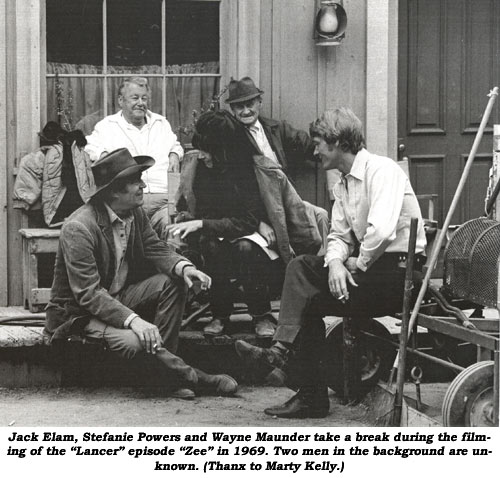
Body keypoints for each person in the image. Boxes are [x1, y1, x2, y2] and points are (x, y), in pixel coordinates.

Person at [234, 107, 427, 418]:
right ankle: (307, 391)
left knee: (303, 277)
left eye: (318, 143)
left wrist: (357, 264)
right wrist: (336, 263)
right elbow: (338, 235)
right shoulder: (344, 182)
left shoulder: (382, 170)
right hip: (368, 273)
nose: (314, 150)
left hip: (398, 276)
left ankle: (284, 358)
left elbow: (382, 231)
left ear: (338, 143)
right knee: (304, 284)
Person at [45, 148, 238, 399]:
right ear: (114, 190)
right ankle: (192, 377)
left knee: (174, 281)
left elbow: (154, 246)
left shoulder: (134, 211)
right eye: (136, 182)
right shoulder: (79, 227)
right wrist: (134, 320)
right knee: (135, 341)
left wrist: (186, 268)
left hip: (118, 298)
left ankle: (162, 377)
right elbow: (89, 295)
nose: (143, 186)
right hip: (79, 314)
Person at [169, 77, 329, 338]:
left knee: (245, 248)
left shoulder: (248, 167)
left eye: (207, 151)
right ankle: (220, 314)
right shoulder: (201, 168)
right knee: (212, 246)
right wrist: (201, 223)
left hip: (256, 221)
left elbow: (250, 214)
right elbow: (201, 210)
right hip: (224, 226)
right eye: (238, 106)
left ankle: (260, 314)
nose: (201, 156)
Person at [85, 77, 183, 234]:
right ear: (121, 100)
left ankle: (177, 259)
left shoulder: (161, 123)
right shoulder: (107, 126)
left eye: (144, 98)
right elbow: (89, 147)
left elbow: (175, 144)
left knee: (174, 230)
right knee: (128, 236)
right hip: (127, 201)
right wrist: (103, 154)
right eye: (135, 98)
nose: (141, 103)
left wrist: (175, 154)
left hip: (164, 199)